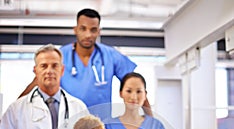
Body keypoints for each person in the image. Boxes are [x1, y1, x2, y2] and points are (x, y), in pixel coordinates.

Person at [18, 8, 152, 117]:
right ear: (75, 29)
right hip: (68, 125)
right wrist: (13, 111)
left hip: (101, 127)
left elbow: (137, 86)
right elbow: (38, 82)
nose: (88, 35)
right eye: (83, 29)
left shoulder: (111, 55)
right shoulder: (61, 55)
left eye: (93, 30)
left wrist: (152, 123)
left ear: (99, 31)